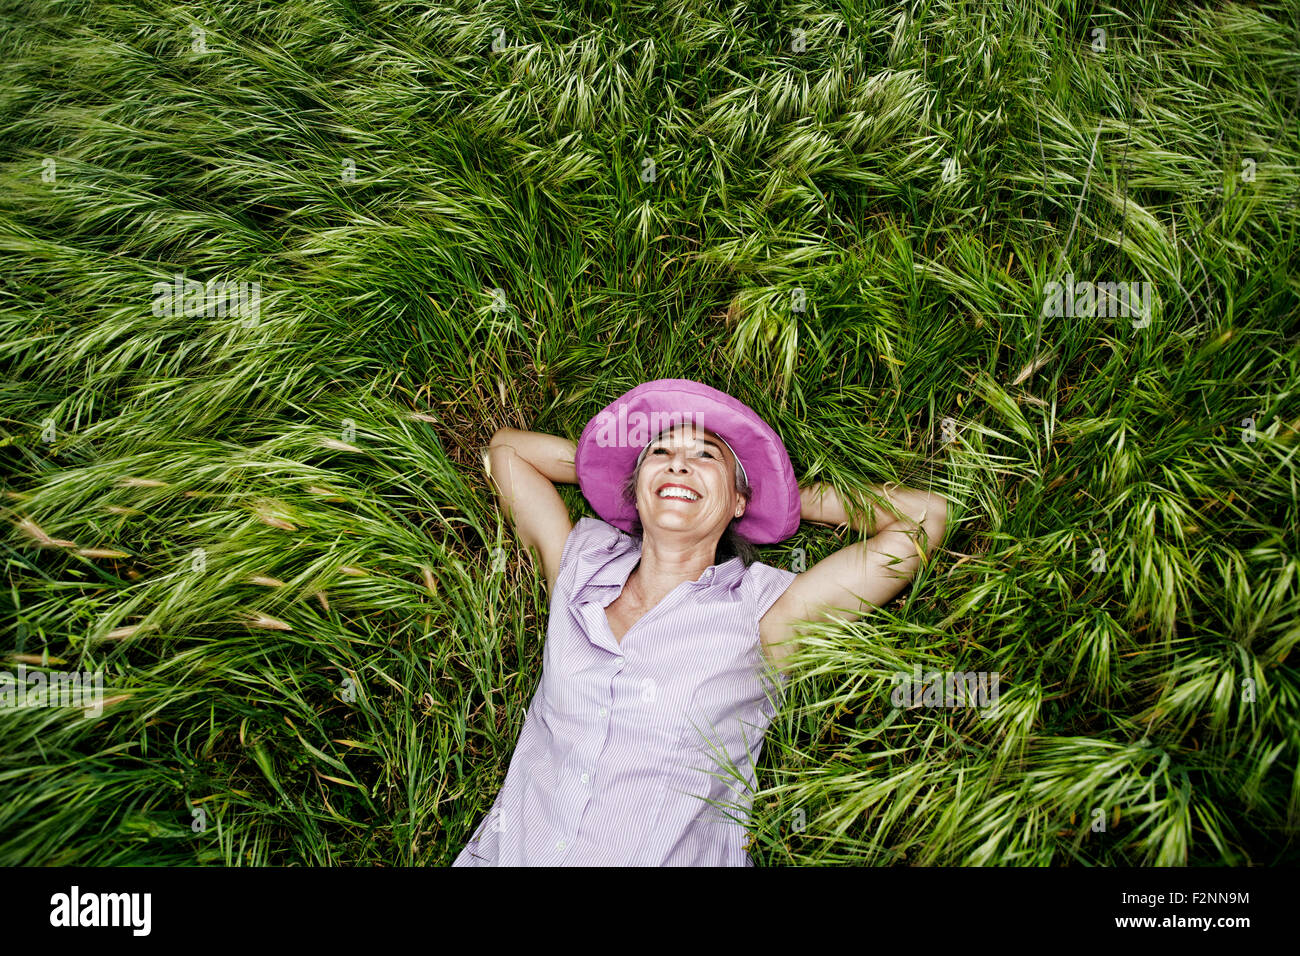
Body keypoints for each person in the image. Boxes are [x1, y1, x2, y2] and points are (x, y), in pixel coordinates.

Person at [452, 378, 948, 865]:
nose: (680, 462)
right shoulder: (581, 566)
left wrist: (783, 496)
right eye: (661, 452)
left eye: (706, 456)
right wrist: (622, 472)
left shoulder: (764, 616)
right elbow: (508, 453)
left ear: (737, 501)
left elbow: (925, 518)